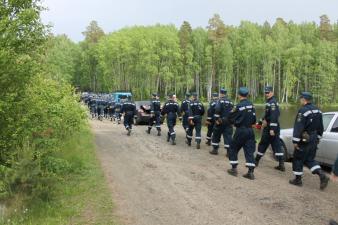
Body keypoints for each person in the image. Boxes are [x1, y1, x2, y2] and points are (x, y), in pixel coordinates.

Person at [289, 92, 329, 190]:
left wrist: (295, 141)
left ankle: (298, 180)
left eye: (301, 98)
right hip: (314, 137)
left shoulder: (303, 111)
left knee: (298, 158)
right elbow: (321, 127)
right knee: (309, 159)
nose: (300, 100)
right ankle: (322, 175)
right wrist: (318, 137)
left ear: (304, 99)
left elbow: (298, 127)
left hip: (305, 139)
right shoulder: (318, 110)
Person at [227, 87, 257, 180]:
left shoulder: (238, 106)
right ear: (247, 95)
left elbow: (230, 117)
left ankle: (234, 168)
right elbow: (254, 119)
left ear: (239, 95)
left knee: (233, 148)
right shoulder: (251, 105)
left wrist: (234, 122)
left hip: (241, 131)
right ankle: (250, 172)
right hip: (250, 131)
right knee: (249, 151)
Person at [255, 86, 285, 171]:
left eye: (268, 92)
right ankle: (281, 164)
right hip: (272, 126)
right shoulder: (270, 102)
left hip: (270, 128)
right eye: (265, 92)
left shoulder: (272, 103)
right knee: (276, 145)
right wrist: (260, 122)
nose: (266, 94)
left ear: (272, 92)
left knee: (263, 143)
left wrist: (272, 128)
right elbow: (267, 115)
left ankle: (256, 161)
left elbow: (274, 116)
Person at [210, 89, 233, 156]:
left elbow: (217, 109)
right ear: (225, 93)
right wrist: (232, 121)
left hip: (220, 121)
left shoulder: (219, 101)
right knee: (228, 136)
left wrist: (216, 119)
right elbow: (233, 111)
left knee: (216, 135)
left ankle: (215, 149)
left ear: (221, 94)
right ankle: (229, 152)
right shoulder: (231, 101)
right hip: (228, 121)